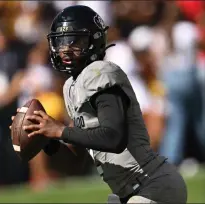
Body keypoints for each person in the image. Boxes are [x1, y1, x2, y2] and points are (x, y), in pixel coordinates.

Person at [11, 5, 187, 204]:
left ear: (94, 41)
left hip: (151, 186)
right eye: (61, 42)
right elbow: (77, 164)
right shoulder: (71, 86)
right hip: (130, 193)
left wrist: (60, 130)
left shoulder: (99, 73)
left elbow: (114, 138)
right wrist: (46, 140)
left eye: (74, 41)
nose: (66, 49)